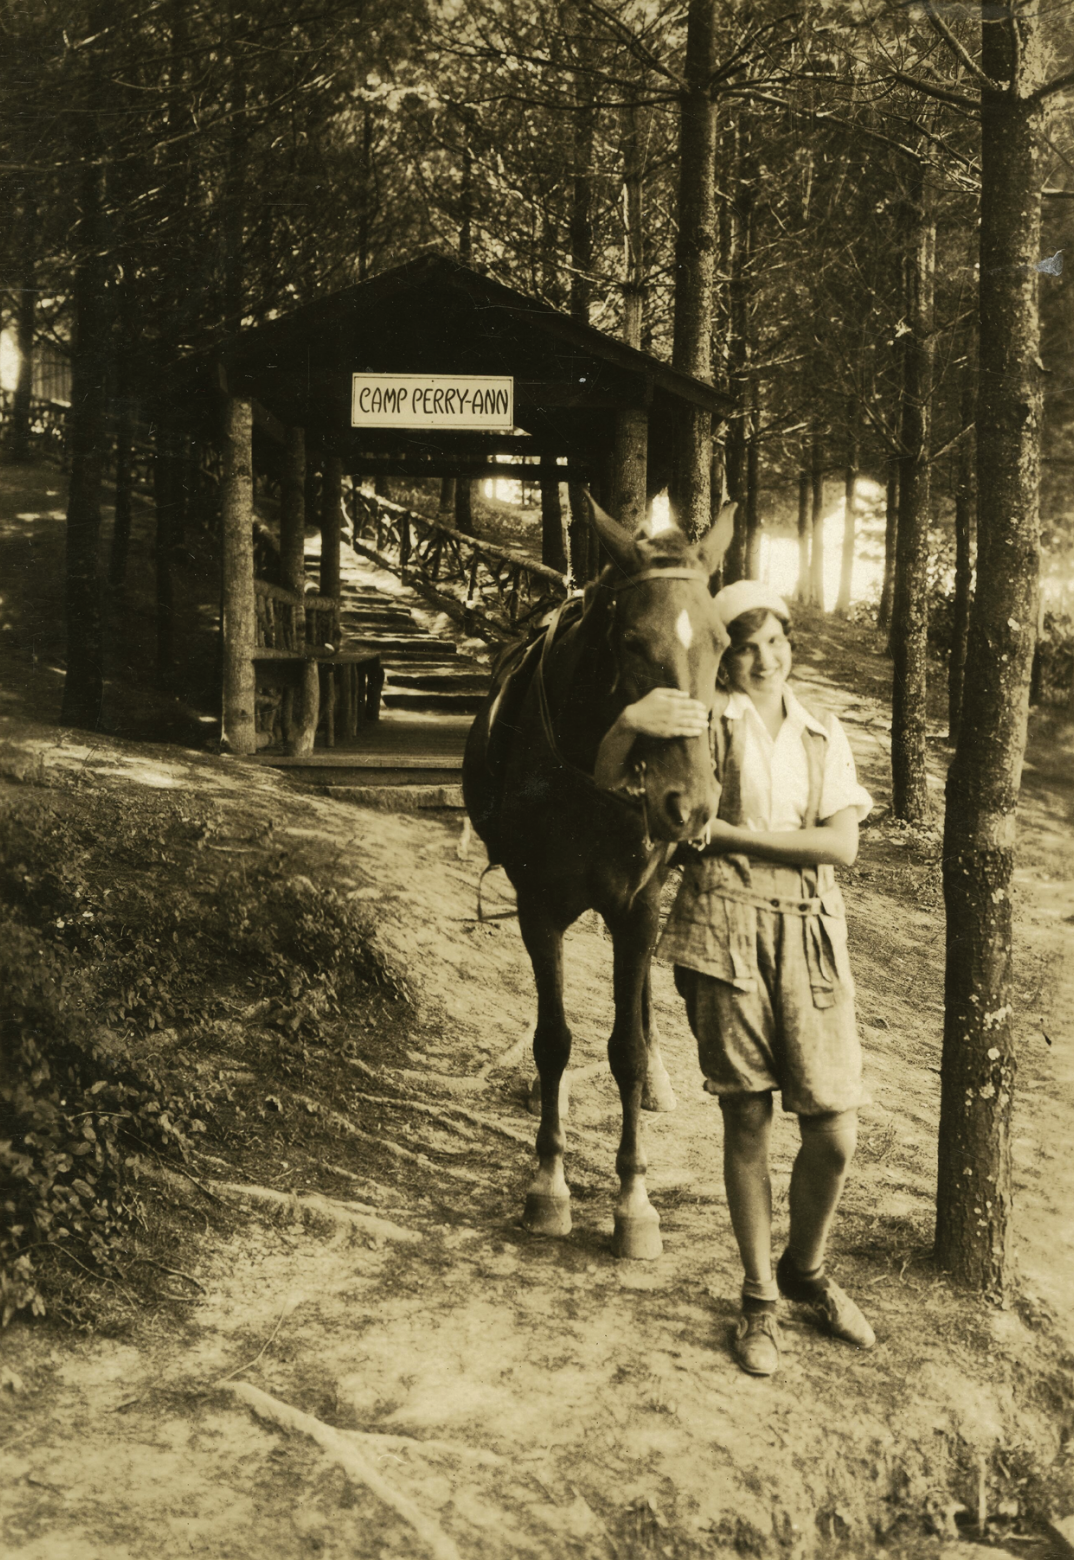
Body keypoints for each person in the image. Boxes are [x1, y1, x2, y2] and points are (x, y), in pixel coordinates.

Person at [594, 579, 875, 1377]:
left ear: (790, 646)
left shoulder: (822, 732)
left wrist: (727, 837)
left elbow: (842, 847)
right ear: (726, 658)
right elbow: (611, 781)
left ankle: (805, 1268)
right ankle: (758, 1299)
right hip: (722, 930)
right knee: (747, 1118)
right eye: (745, 648)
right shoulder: (698, 724)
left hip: (812, 935)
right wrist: (627, 722)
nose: (763, 660)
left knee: (835, 1131)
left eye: (775, 642)